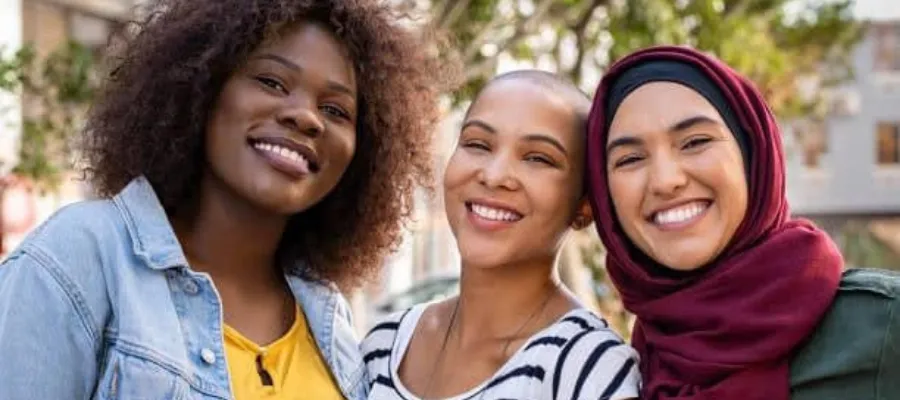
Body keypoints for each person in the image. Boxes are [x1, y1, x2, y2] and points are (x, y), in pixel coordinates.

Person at [0, 0, 458, 399]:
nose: (305, 117)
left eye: (335, 110)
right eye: (272, 82)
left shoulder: (326, 315)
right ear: (201, 87)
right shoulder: (83, 257)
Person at [585, 44, 900, 400]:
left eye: (695, 142)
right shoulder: (616, 371)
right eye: (630, 159)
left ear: (753, 155)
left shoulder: (881, 327)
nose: (665, 180)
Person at [361, 70, 641, 400]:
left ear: (584, 206)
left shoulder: (589, 368)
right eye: (478, 144)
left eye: (538, 158)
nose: (494, 176)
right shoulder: (385, 345)